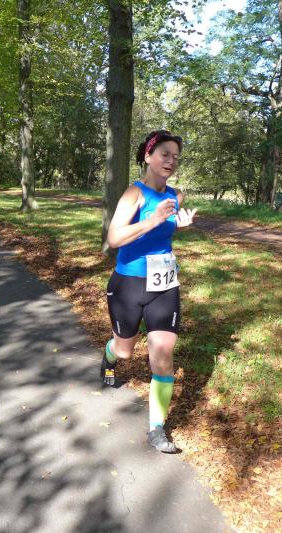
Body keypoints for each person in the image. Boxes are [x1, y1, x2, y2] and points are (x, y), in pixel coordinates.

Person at [100, 130, 198, 454]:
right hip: (128, 284)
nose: (171, 161)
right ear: (148, 156)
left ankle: (157, 428)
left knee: (163, 354)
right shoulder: (134, 194)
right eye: (165, 154)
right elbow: (114, 238)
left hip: (164, 284)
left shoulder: (176, 196)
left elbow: (163, 234)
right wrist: (153, 220)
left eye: (175, 156)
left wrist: (177, 225)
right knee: (125, 352)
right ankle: (109, 356)